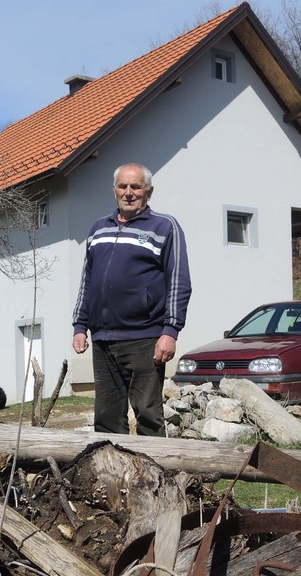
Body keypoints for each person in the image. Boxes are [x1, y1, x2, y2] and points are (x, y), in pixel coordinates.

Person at [72, 163, 192, 436]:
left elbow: (179, 282)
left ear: (148, 192)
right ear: (114, 190)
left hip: (144, 338)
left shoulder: (165, 226)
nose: (128, 192)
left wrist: (170, 331)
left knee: (148, 415)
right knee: (106, 418)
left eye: (135, 187)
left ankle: (156, 475)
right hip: (103, 340)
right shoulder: (98, 228)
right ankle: (112, 476)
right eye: (123, 186)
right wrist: (80, 325)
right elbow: (87, 281)